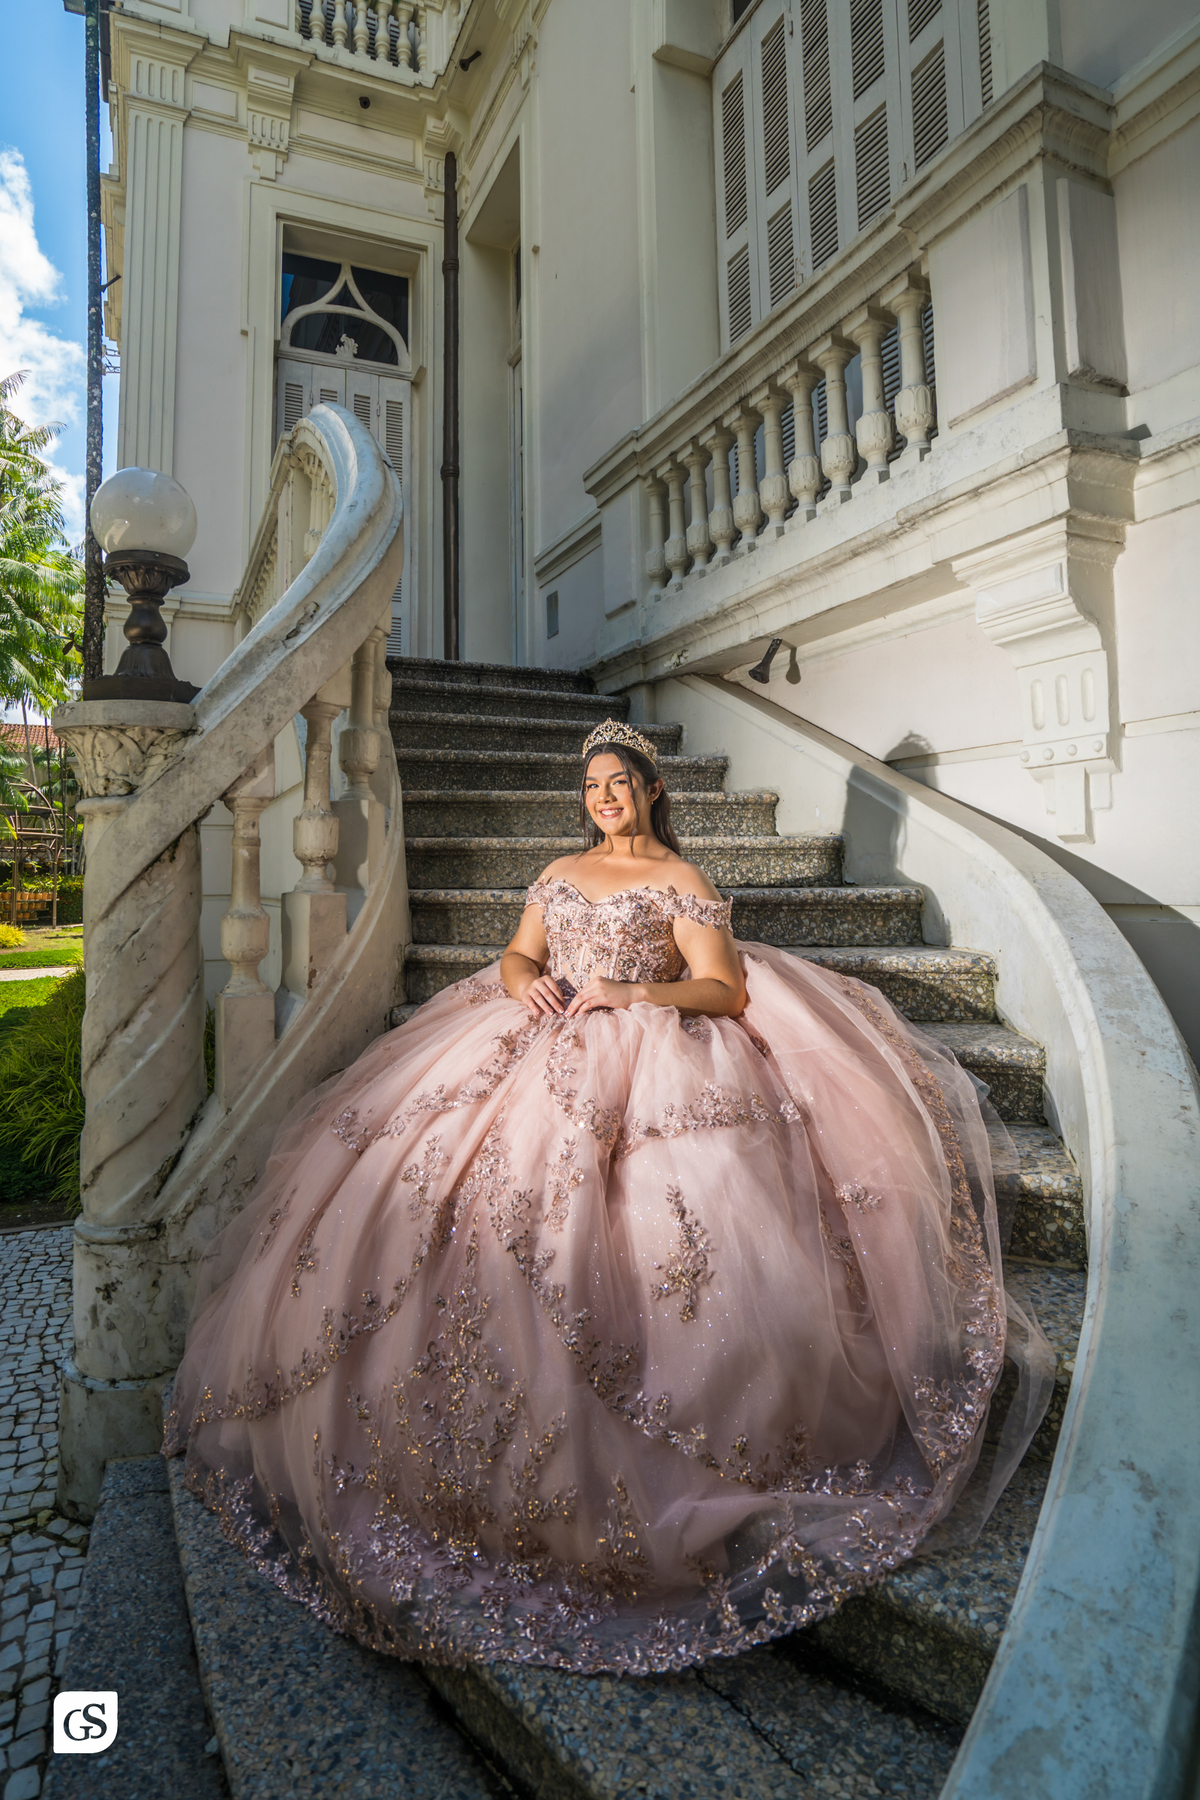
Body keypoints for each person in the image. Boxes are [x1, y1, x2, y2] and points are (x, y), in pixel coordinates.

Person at [165, 720, 1051, 1675]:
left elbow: (723, 990)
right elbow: (516, 955)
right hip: (536, 1038)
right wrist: (526, 988)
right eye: (590, 785)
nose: (602, 797)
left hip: (650, 1048)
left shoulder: (682, 880)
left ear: (648, 785)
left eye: (616, 781)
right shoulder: (557, 870)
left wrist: (631, 997)